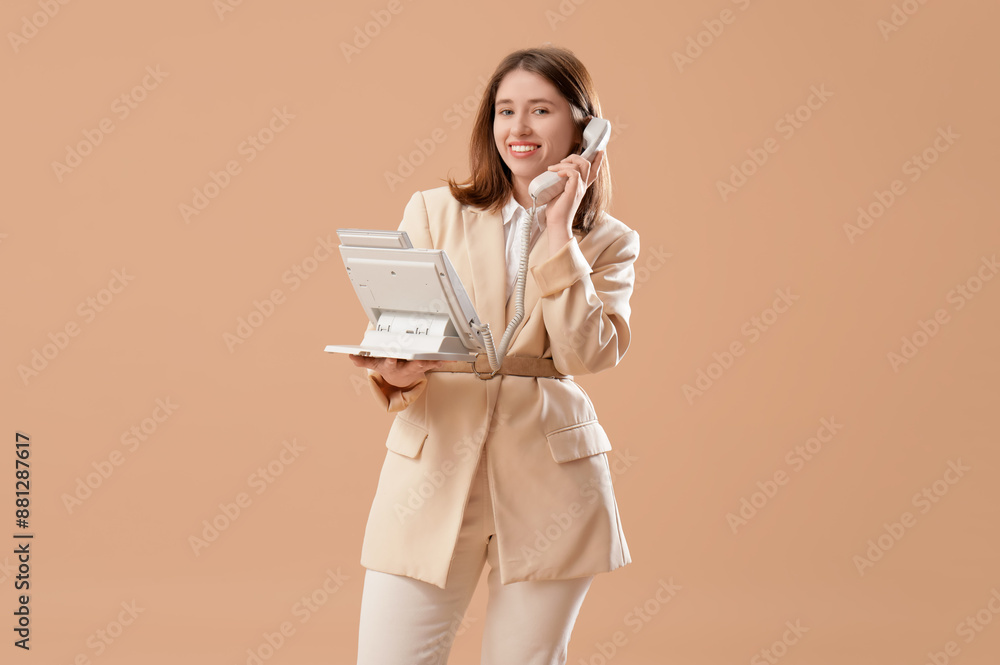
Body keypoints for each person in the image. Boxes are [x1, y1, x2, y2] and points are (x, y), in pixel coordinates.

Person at [348, 44, 640, 665]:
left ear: (584, 129)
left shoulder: (610, 241)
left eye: (541, 110)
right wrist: (397, 373)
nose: (519, 128)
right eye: (505, 111)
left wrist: (558, 233)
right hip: (432, 467)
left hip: (551, 479)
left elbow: (589, 351)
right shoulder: (433, 211)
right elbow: (407, 330)